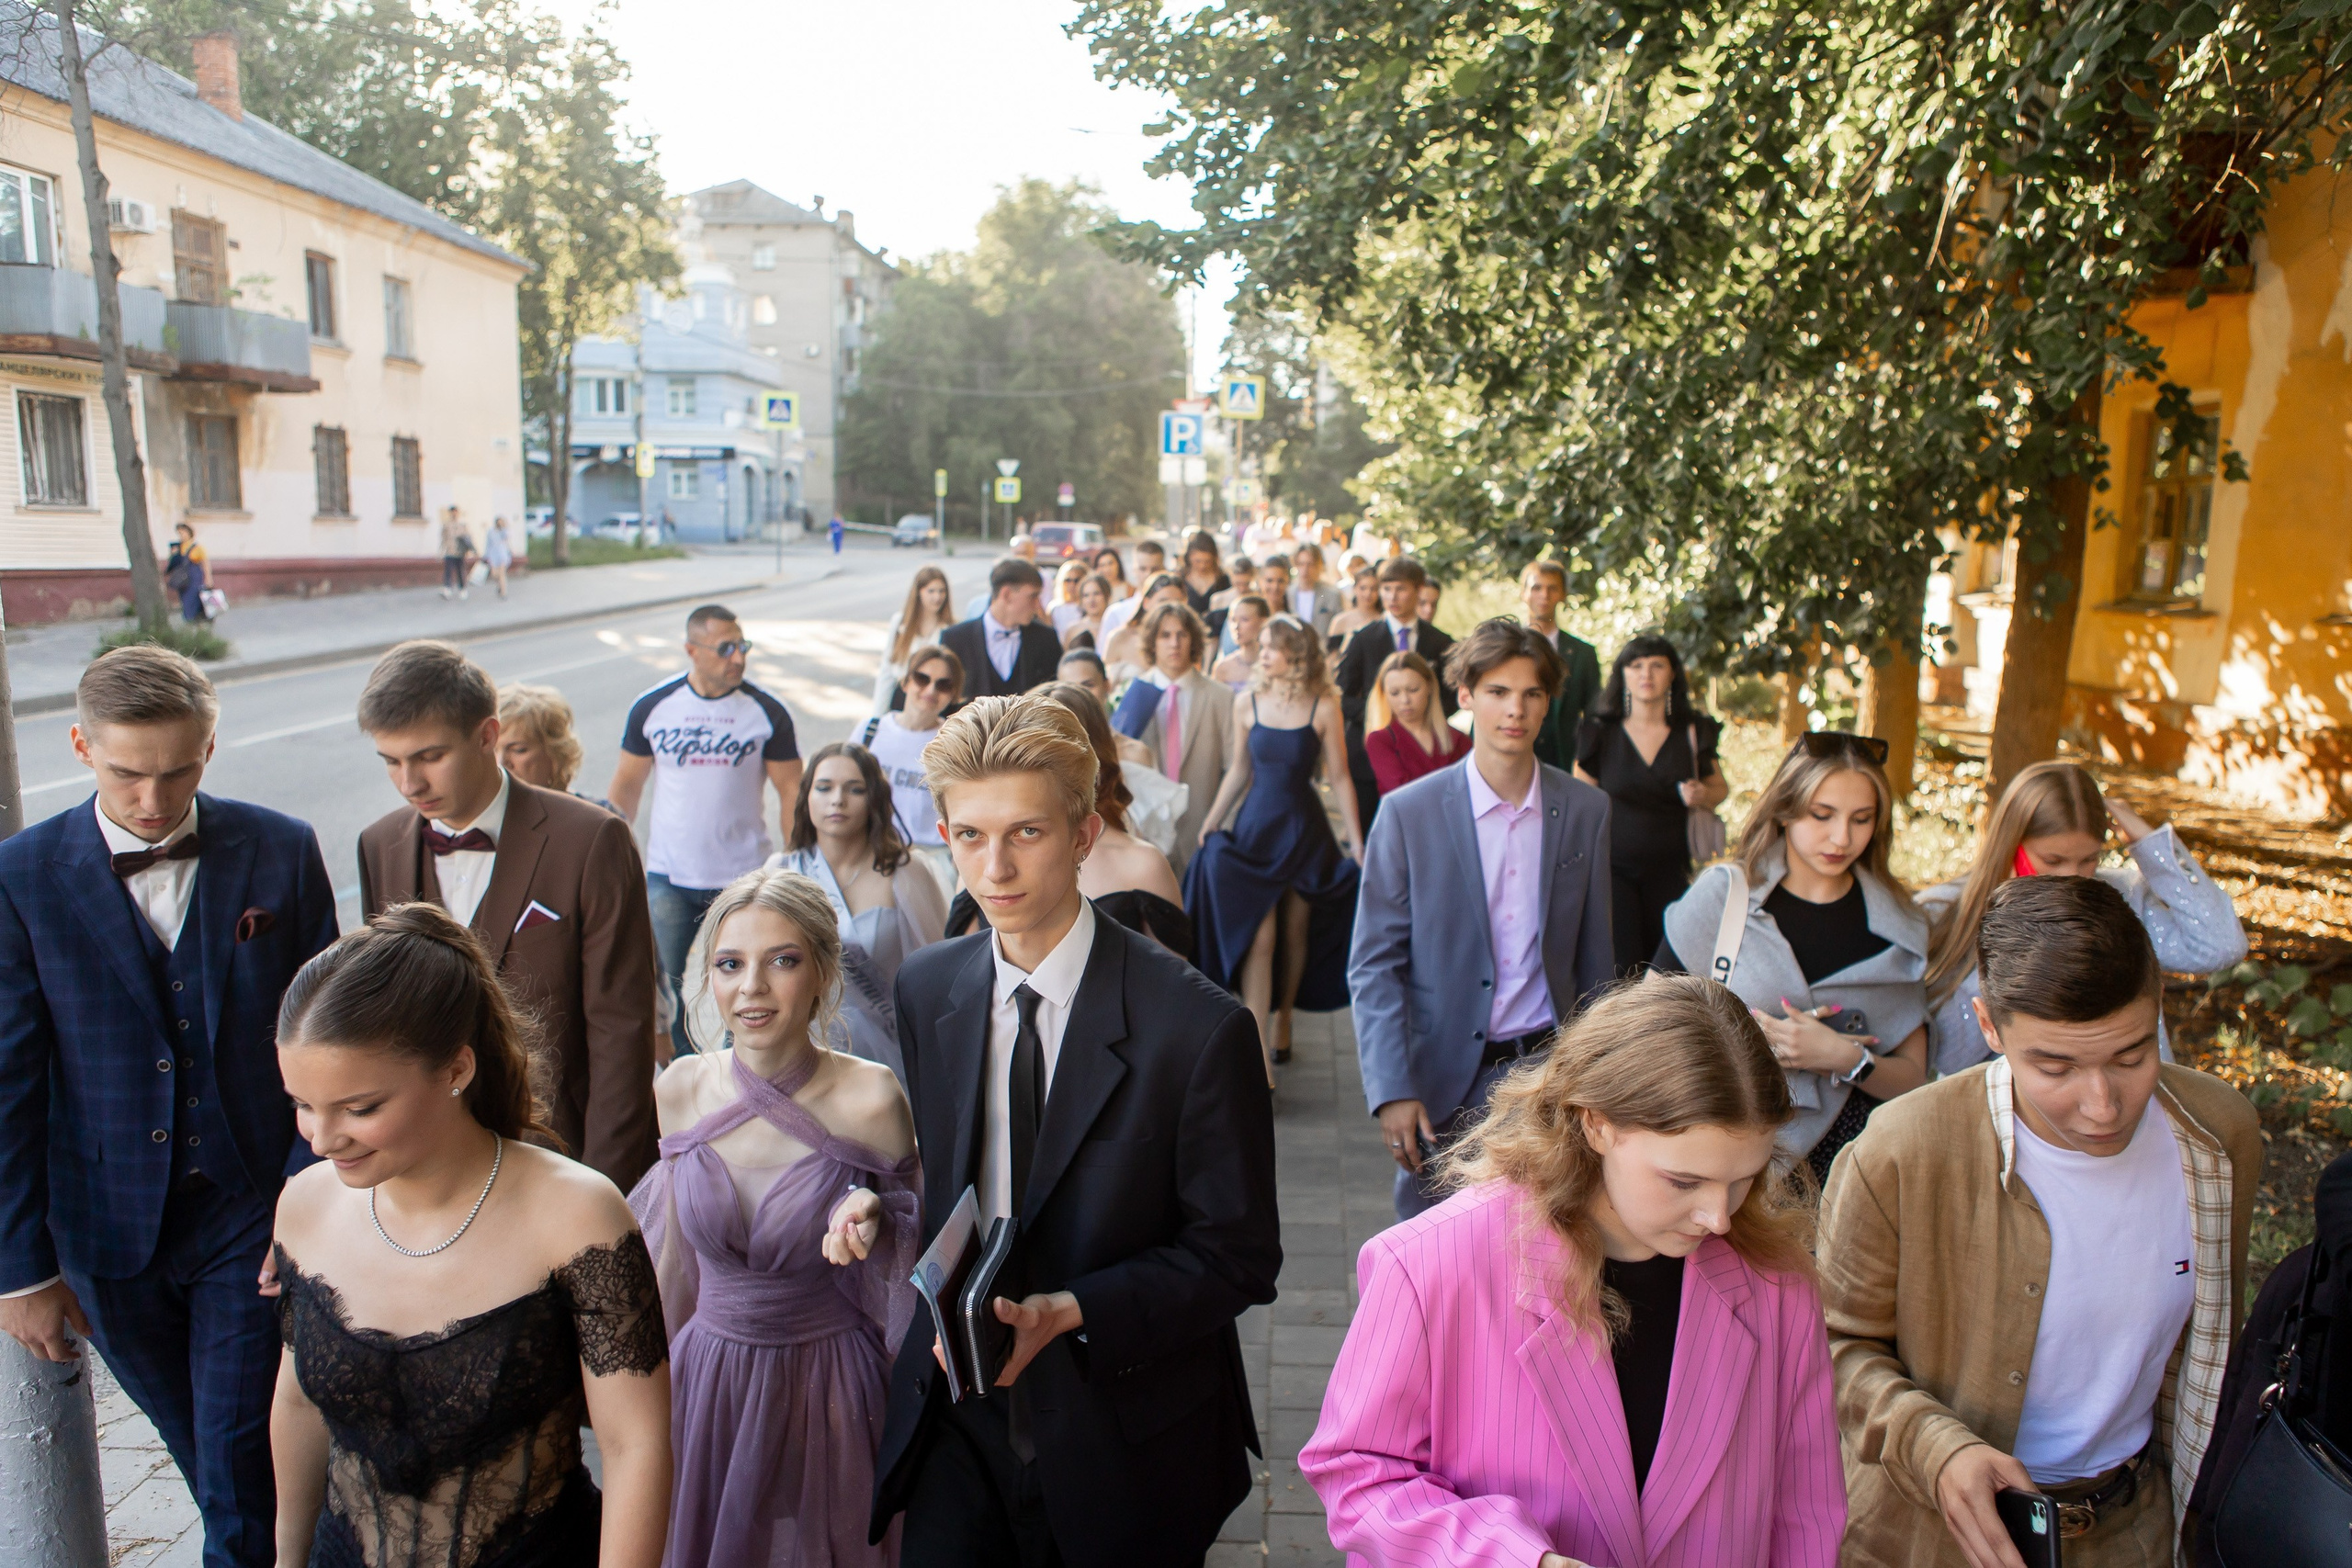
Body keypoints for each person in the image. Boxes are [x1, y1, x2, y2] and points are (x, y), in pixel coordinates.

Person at [870, 694, 1280, 1567]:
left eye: (1028, 832)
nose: (996, 867)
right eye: (971, 836)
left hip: (1123, 1426)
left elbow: (1238, 1255)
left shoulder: (1197, 1028)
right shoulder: (927, 986)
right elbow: (949, 1178)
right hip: (958, 1418)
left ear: (1086, 833)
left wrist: (1076, 1309)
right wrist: (875, 1205)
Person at [1302, 976, 1845, 1567]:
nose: (1718, 1218)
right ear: (1595, 1125)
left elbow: (1806, 1512)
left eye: (1743, 1180)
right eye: (1684, 1182)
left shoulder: (1778, 1281)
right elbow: (1356, 1475)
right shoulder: (1428, 1263)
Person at [0, 647, 338, 1568]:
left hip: (247, 1212)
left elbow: (331, 1047)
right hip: (105, 1234)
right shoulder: (21, 876)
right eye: (127, 773)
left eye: (178, 770)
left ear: (210, 748)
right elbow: (10, 1081)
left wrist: (307, 1200)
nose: (153, 798)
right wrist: (21, 1273)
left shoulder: (280, 847)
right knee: (209, 1457)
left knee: (235, 1459)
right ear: (79, 745)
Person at [1818, 874, 2260, 1568]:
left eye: (2132, 1055)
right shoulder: (1901, 1148)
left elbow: (2209, 1349)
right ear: (1988, 1025)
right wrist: (1936, 1445)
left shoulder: (2219, 1135)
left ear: (2158, 1009)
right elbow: (1833, 1343)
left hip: (2133, 1531)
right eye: (2055, 1065)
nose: (2103, 1104)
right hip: (1925, 1539)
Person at [268, 905, 672, 1568]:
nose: (320, 1136)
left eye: (360, 1107)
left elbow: (637, 1444)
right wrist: (285, 1557)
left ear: (455, 1069)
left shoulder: (579, 1216)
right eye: (302, 1103)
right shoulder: (306, 1205)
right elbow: (296, 1401)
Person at [631, 869, 918, 1567]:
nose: (752, 986)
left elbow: (922, 1241)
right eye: (730, 964)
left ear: (822, 972)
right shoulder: (678, 1091)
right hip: (710, 1381)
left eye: (782, 960)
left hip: (832, 1384)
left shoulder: (871, 1097)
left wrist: (877, 1211)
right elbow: (670, 1259)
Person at [358, 640, 662, 1190]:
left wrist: (605, 1190)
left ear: (488, 736)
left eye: (429, 757)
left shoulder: (592, 839)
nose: (410, 784)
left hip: (561, 1160)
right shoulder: (379, 845)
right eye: (392, 762)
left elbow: (623, 1032)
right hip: (429, 1171)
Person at [1349, 619, 1614, 1222]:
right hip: (1443, 1080)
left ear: (1549, 703)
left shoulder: (1585, 810)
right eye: (1497, 691)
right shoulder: (1407, 813)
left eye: (1530, 694)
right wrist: (1391, 1086)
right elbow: (1374, 964)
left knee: (1548, 1249)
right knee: (1434, 1260)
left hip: (1551, 1076)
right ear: (1465, 695)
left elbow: (1597, 960)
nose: (1514, 709)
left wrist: (1602, 1082)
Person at [1653, 731, 1928, 1186]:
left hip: (1849, 1174)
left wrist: (1842, 1057)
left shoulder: (1899, 929)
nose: (1841, 837)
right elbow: (1646, 1027)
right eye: (1822, 815)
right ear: (1784, 809)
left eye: (1862, 819)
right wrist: (1737, 1040)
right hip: (1716, 1154)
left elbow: (1915, 1082)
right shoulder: (1725, 898)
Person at [1922, 760, 2245, 1075]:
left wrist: (2153, 846)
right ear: (2011, 843)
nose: (2072, 876)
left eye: (2089, 859)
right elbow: (1946, 1057)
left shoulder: (2120, 900)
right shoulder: (1943, 910)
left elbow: (2219, 945)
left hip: (2129, 1110)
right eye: (2054, 859)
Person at [611, 604, 805, 1055]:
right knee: (660, 988)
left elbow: (791, 792)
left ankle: (734, 1068)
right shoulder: (653, 708)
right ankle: (682, 1069)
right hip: (668, 877)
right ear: (692, 651)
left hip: (744, 881)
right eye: (725, 649)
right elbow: (625, 788)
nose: (737, 658)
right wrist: (618, 862)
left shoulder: (766, 712)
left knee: (747, 986)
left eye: (743, 647)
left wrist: (794, 866)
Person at [1187, 615, 1363, 1076]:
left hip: (1304, 831)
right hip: (1256, 830)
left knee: (1295, 933)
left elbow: (1340, 778)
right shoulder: (1246, 702)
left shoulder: (1324, 705)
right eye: (1261, 645)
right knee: (1260, 938)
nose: (1260, 653)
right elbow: (1239, 771)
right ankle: (1259, 1049)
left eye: (1271, 646)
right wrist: (1211, 820)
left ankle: (1285, 1017)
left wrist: (1357, 842)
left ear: (1296, 654)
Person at [769, 743, 949, 1082]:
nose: (837, 799)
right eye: (824, 788)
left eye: (855, 789)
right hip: (804, 1051)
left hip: (891, 1051)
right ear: (806, 796)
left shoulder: (906, 872)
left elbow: (940, 968)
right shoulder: (782, 872)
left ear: (875, 798)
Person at [1576, 636, 1730, 974]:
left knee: (1667, 970)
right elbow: (1580, 801)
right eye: (1636, 665)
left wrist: (1701, 793)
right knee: (1621, 967)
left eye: (1657, 665)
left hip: (1672, 870)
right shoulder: (1599, 732)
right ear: (1623, 674)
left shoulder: (1692, 730)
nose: (1647, 674)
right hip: (1613, 868)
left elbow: (1720, 788)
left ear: (1673, 674)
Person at [1336, 556, 1456, 829]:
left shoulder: (1439, 641)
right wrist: (1378, 714)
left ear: (1418, 590)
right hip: (1368, 757)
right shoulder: (1363, 639)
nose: (1392, 596)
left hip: (1424, 753)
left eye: (1400, 589)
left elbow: (1453, 693)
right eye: (1387, 589)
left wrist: (1425, 717)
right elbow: (1342, 693)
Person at [1127, 601, 1234, 878]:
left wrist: (1224, 827)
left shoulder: (1220, 697)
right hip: (1147, 831)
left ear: (1193, 640)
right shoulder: (1134, 693)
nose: (1174, 643)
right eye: (1164, 635)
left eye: (1182, 635)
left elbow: (1236, 767)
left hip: (1203, 828)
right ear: (1152, 642)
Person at [857, 643, 964, 891]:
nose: (931, 690)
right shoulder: (870, 731)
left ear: (953, 694)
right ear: (906, 682)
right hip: (868, 855)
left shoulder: (955, 740)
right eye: (922, 678)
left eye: (943, 684)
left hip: (930, 862)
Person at [1521, 561, 1603, 771]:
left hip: (1563, 761)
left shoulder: (1583, 654)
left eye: (1552, 588)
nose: (1544, 595)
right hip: (1514, 755)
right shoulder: (1503, 649)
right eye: (1536, 587)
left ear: (1563, 594)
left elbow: (1595, 715)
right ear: (1523, 593)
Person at [941, 558, 1061, 700]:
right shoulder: (955, 639)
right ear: (1007, 594)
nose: (1037, 605)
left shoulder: (1046, 638)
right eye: (1033, 596)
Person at [1363, 649, 1471, 795]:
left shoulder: (1458, 739)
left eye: (1413, 690)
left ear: (1429, 687)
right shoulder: (1380, 740)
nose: (1404, 700)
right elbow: (1402, 793)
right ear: (1384, 695)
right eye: (1395, 693)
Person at [874, 566, 956, 716]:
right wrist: (877, 716)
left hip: (932, 700)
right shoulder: (900, 623)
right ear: (918, 592)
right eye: (931, 591)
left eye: (942, 591)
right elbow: (887, 671)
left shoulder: (951, 629)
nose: (937, 597)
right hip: (901, 699)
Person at [1100, 572, 1187, 681]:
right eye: (1163, 602)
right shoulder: (1119, 638)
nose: (1169, 609)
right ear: (1146, 603)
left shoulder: (1185, 640)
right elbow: (1105, 685)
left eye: (1176, 603)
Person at [1210, 593, 1270, 690]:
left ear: (1263, 622)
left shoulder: (1275, 664)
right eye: (1233, 620)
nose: (1236, 627)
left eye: (1244, 619)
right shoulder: (1223, 667)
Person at [1290, 542, 1343, 636]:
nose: (1305, 570)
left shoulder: (1332, 594)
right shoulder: (1289, 593)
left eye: (1310, 564)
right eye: (1301, 564)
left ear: (1318, 565)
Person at [167, 521, 214, 625]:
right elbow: (172, 564)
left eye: (182, 533)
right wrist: (173, 555)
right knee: (185, 600)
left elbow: (205, 563)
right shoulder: (178, 547)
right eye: (179, 533)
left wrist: (208, 578)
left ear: (189, 533)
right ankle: (189, 620)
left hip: (194, 578)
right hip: (182, 579)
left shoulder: (197, 548)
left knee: (194, 599)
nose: (181, 536)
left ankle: (197, 620)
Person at [1326, 564, 1380, 651]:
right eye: (1363, 588)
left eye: (1373, 589)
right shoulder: (1340, 621)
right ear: (1355, 588)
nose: (1368, 594)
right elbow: (1331, 659)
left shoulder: (1384, 619)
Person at [1178, 528, 1229, 615]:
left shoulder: (1223, 580)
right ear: (1189, 557)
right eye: (1197, 561)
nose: (1202, 566)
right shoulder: (1180, 578)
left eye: (1207, 561)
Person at [1059, 573, 1113, 651]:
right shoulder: (1073, 630)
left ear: (1107, 595)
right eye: (1086, 595)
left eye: (1097, 593)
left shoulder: (1116, 626)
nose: (1091, 600)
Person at [1046, 559, 1090, 638]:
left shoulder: (1088, 606)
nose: (1072, 584)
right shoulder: (1054, 608)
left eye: (1076, 580)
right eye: (1067, 580)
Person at [438, 505, 470, 600]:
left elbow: (467, 538)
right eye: (452, 512)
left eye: (455, 512)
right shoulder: (446, 525)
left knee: (460, 571)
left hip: (460, 552)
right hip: (450, 551)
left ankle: (462, 589)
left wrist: (469, 550)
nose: (454, 514)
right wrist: (441, 551)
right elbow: (443, 539)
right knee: (448, 570)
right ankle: (447, 589)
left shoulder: (462, 525)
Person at [483, 515, 514, 599]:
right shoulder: (491, 532)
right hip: (493, 555)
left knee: (502, 574)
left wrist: (505, 527)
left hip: (502, 554)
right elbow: (488, 544)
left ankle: (504, 593)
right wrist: (485, 555)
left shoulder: (504, 531)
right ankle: (500, 586)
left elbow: (508, 537)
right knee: (494, 574)